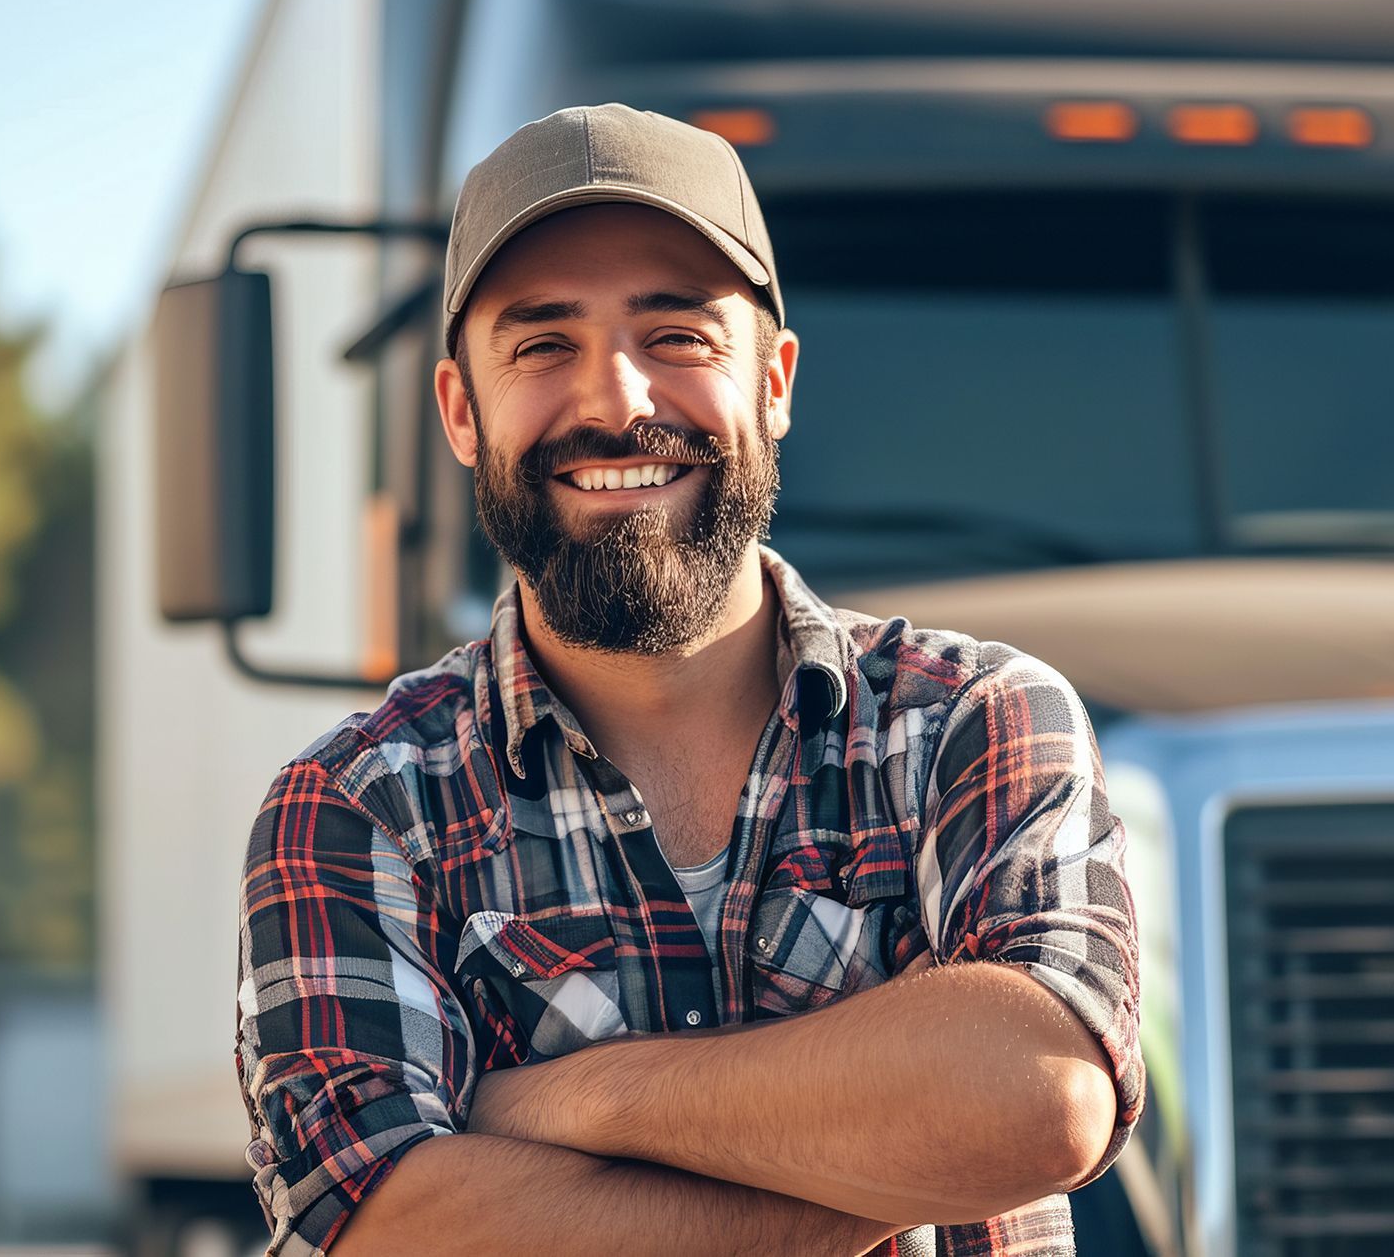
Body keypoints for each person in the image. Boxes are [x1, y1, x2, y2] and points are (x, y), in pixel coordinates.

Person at [234, 103, 1143, 1257]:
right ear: (462, 413)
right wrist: (897, 1139)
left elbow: (1044, 1097)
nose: (616, 403)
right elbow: (395, 1233)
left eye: (676, 336)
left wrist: (576, 1099)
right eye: (543, 344)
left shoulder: (972, 722)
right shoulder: (358, 808)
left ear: (775, 381)